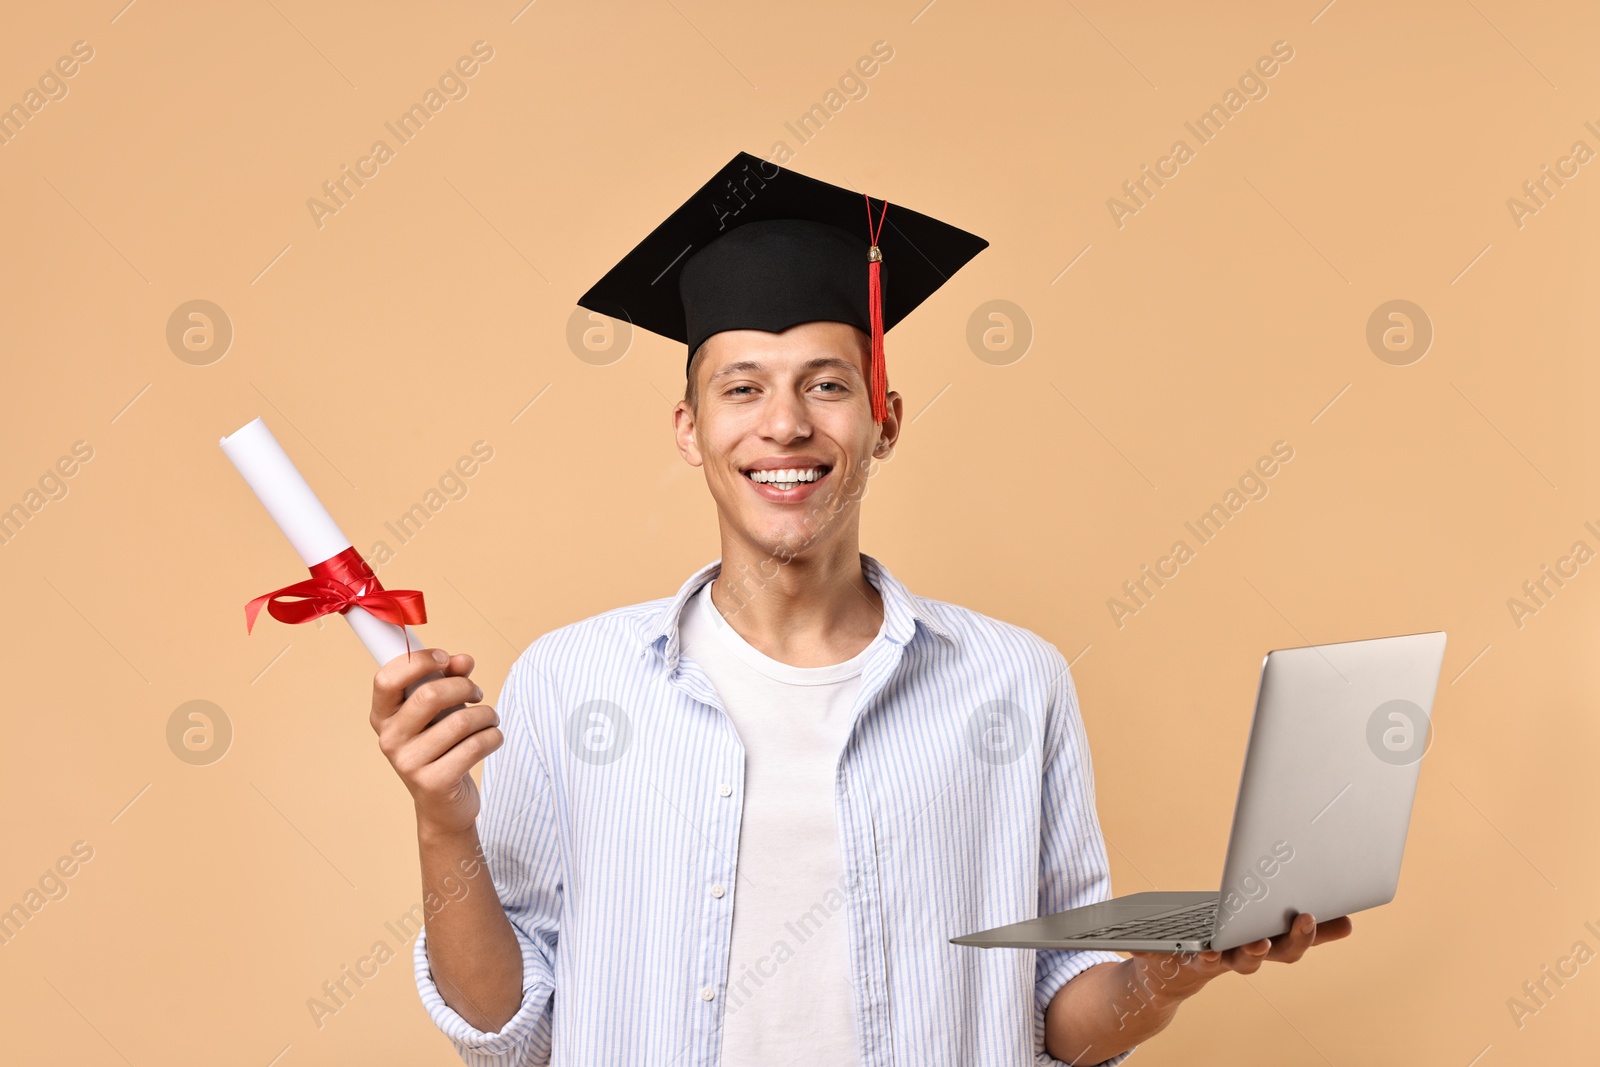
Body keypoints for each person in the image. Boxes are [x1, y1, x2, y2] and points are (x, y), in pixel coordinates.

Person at [368, 152, 1351, 1066]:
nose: (785, 422)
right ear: (690, 429)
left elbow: (1059, 1014)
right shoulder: (571, 678)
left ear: (884, 418)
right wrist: (443, 822)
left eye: (827, 385)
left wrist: (1178, 963)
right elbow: (509, 1033)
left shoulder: (1011, 679)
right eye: (741, 387)